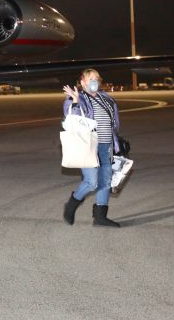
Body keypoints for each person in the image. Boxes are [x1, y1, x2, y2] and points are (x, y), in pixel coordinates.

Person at [62, 68, 122, 227]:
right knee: (91, 182)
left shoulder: (107, 99)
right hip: (88, 146)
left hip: (106, 145)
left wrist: (117, 142)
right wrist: (74, 101)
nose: (94, 81)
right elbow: (71, 119)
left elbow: (114, 123)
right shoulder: (77, 98)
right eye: (91, 79)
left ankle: (100, 217)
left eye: (97, 78)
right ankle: (72, 204)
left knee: (105, 182)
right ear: (82, 82)